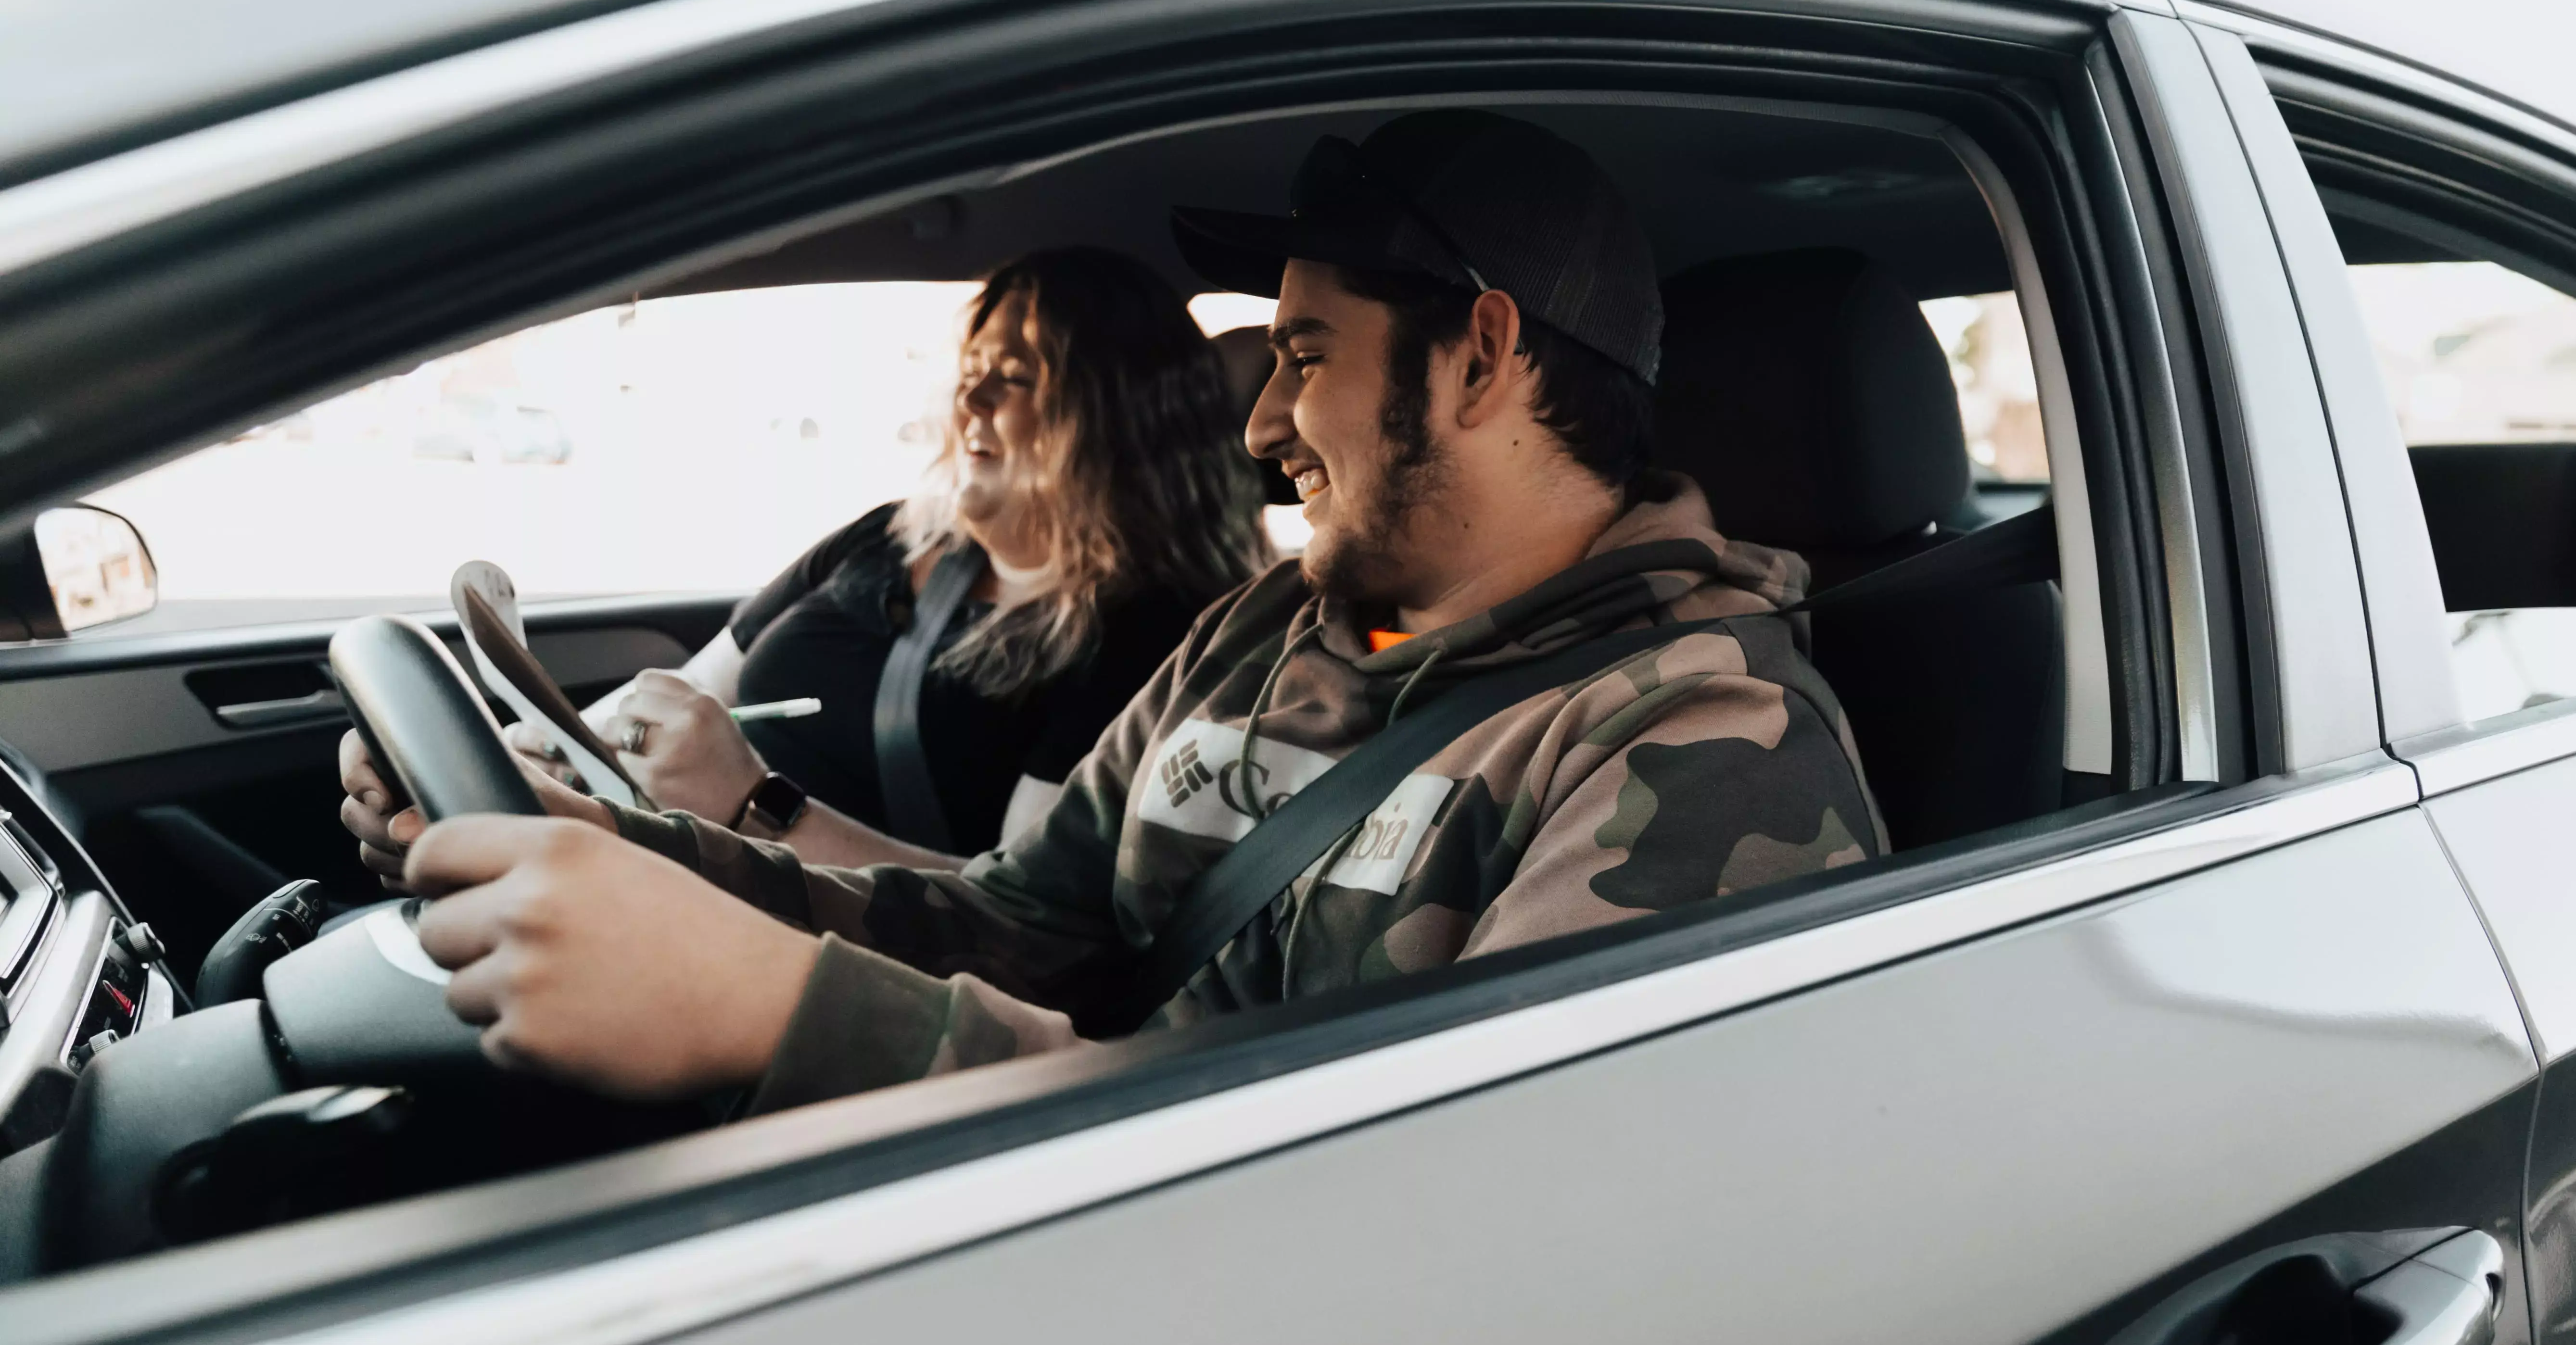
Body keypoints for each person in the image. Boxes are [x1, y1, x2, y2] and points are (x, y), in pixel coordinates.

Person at [356, 110, 1887, 1108]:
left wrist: (785, 1015)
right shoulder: (1262, 633)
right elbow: (1021, 924)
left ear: (1479, 359)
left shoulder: (1697, 744)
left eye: (1301, 355)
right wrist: (635, 857)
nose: (1257, 427)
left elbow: (1430, 1213)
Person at [346, 247, 1266, 880]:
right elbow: (666, 702)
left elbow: (1019, 912)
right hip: (665, 883)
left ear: (1115, 415)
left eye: (1017, 378)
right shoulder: (888, 538)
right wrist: (516, 761)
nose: (971, 396)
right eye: (970, 368)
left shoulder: (1149, 627)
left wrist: (755, 804)